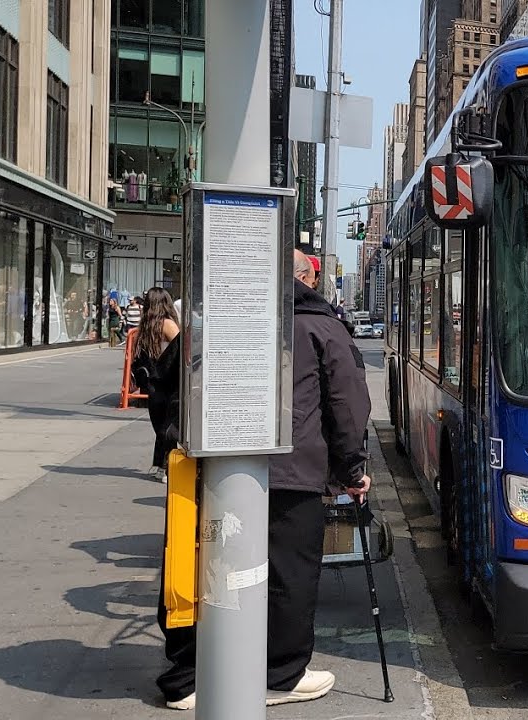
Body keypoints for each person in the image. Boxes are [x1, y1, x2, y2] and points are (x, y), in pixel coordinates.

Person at [158, 251, 371, 710]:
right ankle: (281, 674)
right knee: (289, 574)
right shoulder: (321, 326)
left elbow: (165, 381)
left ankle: (186, 677)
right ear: (306, 279)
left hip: (210, 465)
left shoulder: (214, 315)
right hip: (292, 474)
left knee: (198, 561)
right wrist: (352, 471)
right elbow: (348, 407)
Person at [134, 288, 180, 481]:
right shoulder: (168, 324)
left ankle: (161, 466)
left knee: (161, 426)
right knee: (170, 427)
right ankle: (168, 468)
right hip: (171, 381)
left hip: (153, 384)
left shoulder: (144, 328)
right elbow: (180, 351)